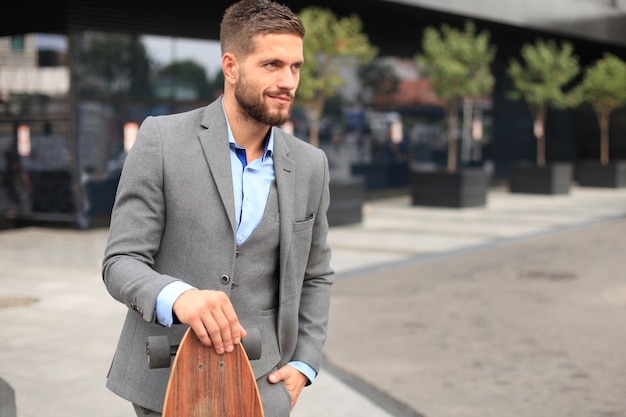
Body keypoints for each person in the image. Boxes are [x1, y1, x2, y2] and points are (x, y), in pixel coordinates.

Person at [101, 1, 334, 416]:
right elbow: (121, 261)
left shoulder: (310, 164)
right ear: (231, 67)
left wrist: (304, 364)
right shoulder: (162, 140)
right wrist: (179, 297)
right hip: (167, 381)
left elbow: (316, 275)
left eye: (295, 67)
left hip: (264, 387)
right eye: (272, 65)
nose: (288, 81)